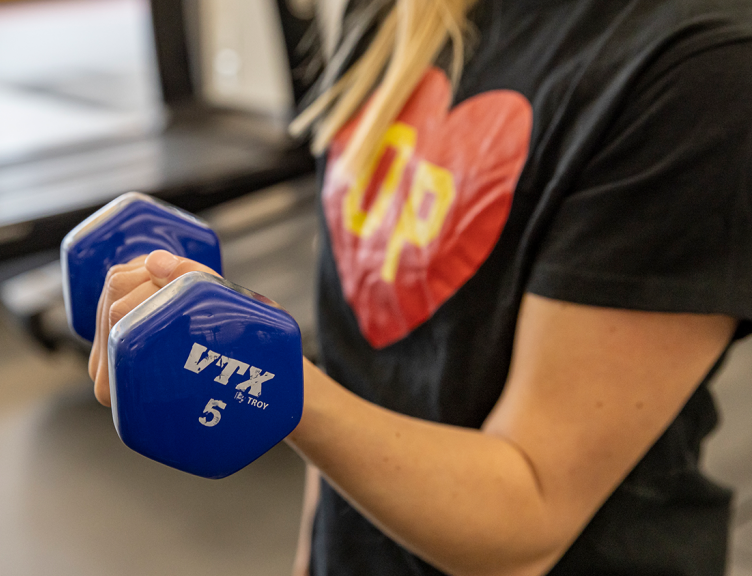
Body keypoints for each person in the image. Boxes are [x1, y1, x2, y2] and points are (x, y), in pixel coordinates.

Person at [87, 0, 752, 574]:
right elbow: (353, 350)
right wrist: (313, 556)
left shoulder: (699, 71)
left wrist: (274, 379)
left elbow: (529, 515)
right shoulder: (398, 14)